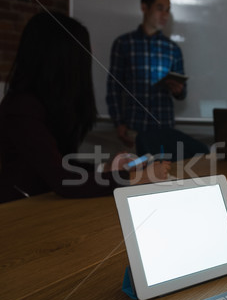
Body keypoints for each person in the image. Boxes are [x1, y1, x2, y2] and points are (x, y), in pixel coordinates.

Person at [0, 11, 170, 204]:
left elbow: (59, 162)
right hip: (18, 211)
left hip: (45, 202)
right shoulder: (21, 108)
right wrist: (136, 178)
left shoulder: (48, 102)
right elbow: (63, 180)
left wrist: (104, 169)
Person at [106, 0, 187, 149]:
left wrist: (178, 90)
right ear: (144, 7)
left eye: (168, 9)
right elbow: (114, 87)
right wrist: (118, 122)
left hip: (164, 129)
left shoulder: (173, 49)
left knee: (165, 175)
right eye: (160, 8)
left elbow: (182, 92)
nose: (165, 15)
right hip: (133, 129)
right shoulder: (124, 44)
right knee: (134, 175)